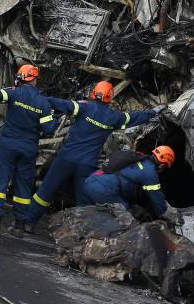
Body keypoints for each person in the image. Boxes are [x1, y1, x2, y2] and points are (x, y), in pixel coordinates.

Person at [26, 81, 163, 227]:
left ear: (94, 93)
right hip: (86, 165)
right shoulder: (113, 118)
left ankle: (28, 223)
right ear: (110, 97)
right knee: (83, 200)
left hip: (65, 159)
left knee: (46, 190)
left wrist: (36, 98)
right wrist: (153, 112)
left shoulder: (83, 107)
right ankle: (82, 233)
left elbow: (59, 103)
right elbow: (132, 117)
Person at [0, 64, 55, 236]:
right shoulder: (43, 102)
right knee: (23, 186)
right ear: (35, 79)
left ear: (21, 78)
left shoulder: (13, 92)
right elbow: (49, 129)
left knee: (0, 183)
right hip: (28, 149)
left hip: (8, 146)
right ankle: (19, 226)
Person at [81, 145, 177, 221]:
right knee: (126, 220)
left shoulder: (138, 156)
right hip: (104, 190)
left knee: (86, 218)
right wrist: (166, 214)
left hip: (91, 179)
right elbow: (157, 198)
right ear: (162, 165)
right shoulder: (150, 173)